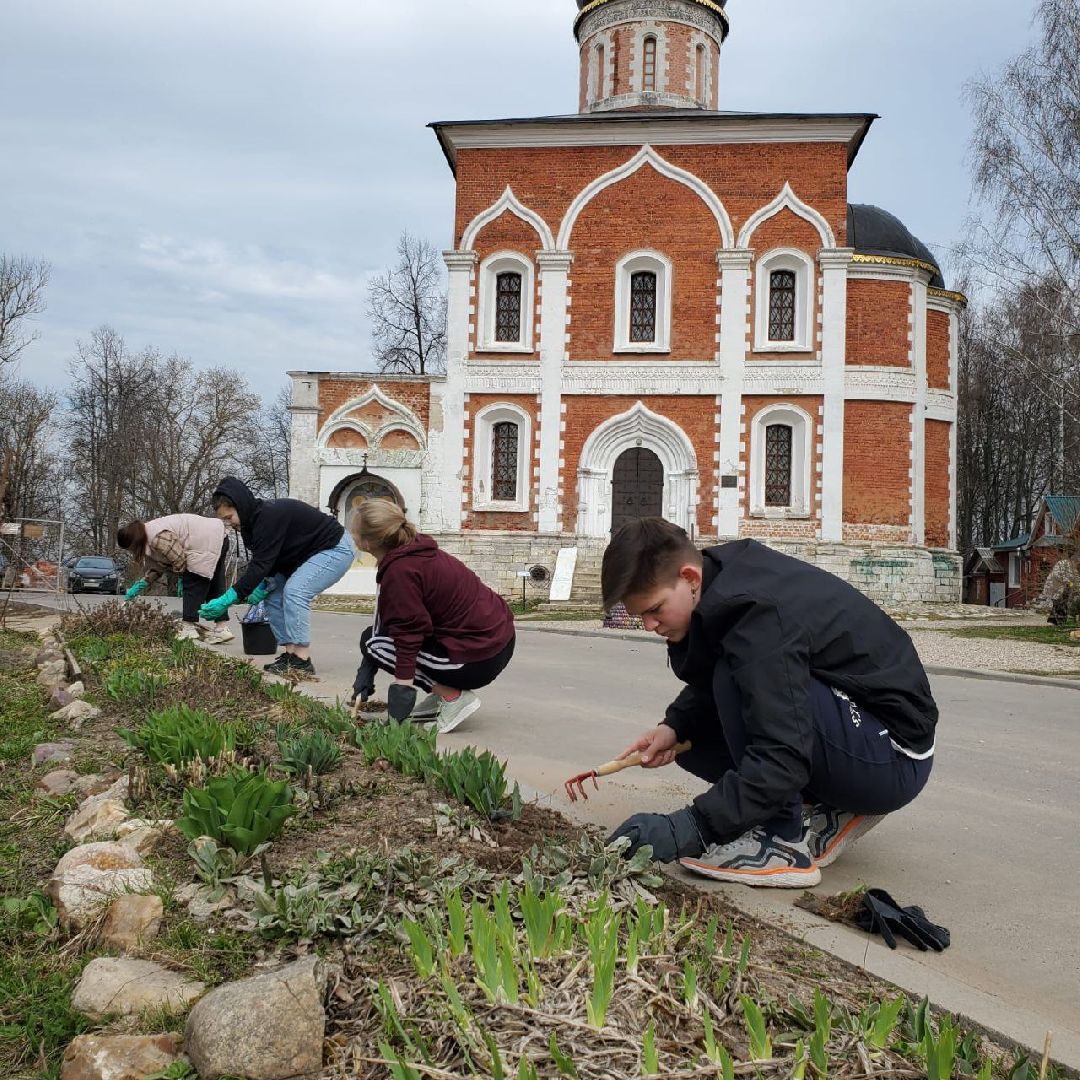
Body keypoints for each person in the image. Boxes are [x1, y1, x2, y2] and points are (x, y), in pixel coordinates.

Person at [603, 518, 937, 888]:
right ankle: (830, 807)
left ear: (690, 579)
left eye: (655, 610)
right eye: (641, 617)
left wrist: (690, 827)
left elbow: (783, 756)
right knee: (694, 738)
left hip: (893, 754)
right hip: (866, 736)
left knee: (735, 679)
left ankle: (781, 841)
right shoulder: (720, 584)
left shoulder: (756, 615)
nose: (649, 626)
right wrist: (674, 727)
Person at [350, 497, 516, 733]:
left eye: (353, 530)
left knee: (374, 645)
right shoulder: (414, 550)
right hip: (496, 641)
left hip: (479, 658)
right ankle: (440, 697)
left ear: (366, 542)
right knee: (371, 640)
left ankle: (453, 698)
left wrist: (399, 712)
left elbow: (406, 637)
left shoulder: (400, 572)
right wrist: (366, 671)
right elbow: (386, 625)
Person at [200, 477, 355, 679]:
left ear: (240, 505)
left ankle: (302, 660)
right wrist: (265, 583)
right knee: (273, 596)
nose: (228, 524)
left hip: (334, 548)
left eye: (229, 517)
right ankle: (290, 653)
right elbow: (272, 558)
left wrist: (230, 597)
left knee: (296, 591)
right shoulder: (249, 527)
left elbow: (260, 565)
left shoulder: (268, 516)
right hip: (301, 557)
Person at [117, 515, 234, 644]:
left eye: (130, 549)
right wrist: (143, 582)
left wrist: (181, 579)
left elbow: (179, 560)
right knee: (214, 584)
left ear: (134, 543)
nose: (131, 552)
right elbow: (160, 565)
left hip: (205, 541)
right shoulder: (148, 536)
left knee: (193, 580)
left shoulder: (157, 538)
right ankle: (221, 629)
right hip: (217, 537)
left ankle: (188, 626)